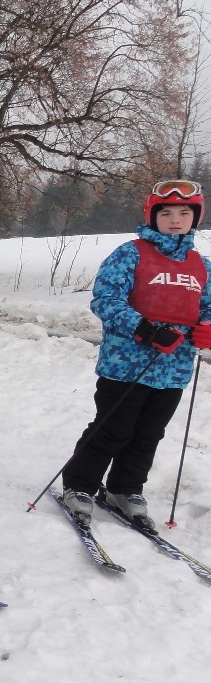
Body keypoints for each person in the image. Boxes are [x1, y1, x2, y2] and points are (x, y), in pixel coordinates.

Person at [60, 180, 211, 530]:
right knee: (113, 429)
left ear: (196, 217)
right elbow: (106, 300)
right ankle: (79, 484)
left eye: (184, 213)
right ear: (152, 216)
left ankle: (125, 488)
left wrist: (207, 326)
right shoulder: (131, 254)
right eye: (167, 212)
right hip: (125, 365)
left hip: (174, 368)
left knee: (149, 433)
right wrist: (146, 329)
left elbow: (207, 306)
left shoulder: (201, 265)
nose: (175, 220)